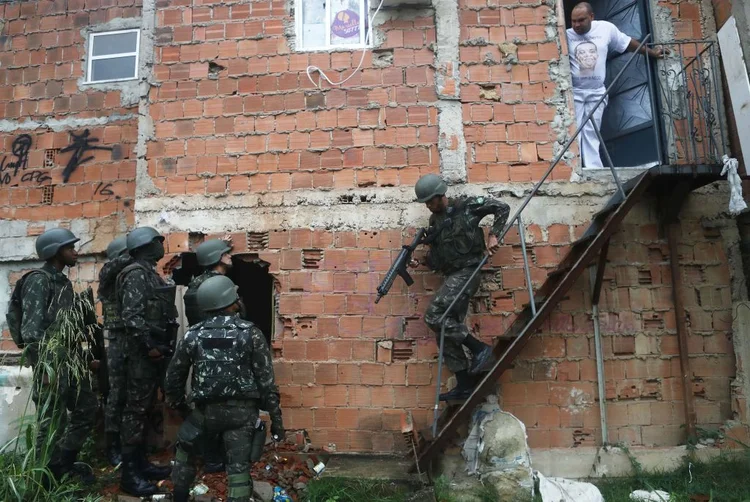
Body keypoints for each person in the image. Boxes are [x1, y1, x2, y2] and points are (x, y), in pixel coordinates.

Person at [165, 275, 284, 502]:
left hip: (204, 414)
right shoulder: (250, 333)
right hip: (241, 416)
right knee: (238, 470)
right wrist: (277, 422)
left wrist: (180, 407)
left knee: (184, 455)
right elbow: (267, 384)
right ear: (230, 301)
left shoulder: (194, 334)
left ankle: (179, 496)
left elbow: (173, 377)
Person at [410, 174, 510, 401]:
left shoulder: (466, 206)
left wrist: (494, 235)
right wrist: (421, 262)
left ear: (440, 195)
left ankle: (479, 349)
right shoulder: (435, 223)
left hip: (468, 272)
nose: (428, 205)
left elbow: (501, 207)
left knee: (434, 316)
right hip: (452, 275)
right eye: (425, 202)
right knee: (444, 329)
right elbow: (438, 259)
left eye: (430, 201)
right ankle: (465, 385)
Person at [21, 228, 98, 483]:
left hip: (70, 363)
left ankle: (62, 463)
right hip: (51, 367)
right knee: (51, 423)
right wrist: (44, 370)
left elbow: (66, 327)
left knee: (88, 408)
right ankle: (43, 481)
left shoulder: (62, 282)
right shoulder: (38, 280)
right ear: (55, 252)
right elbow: (31, 331)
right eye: (70, 248)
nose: (75, 252)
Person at [567, 1, 667, 168]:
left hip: (596, 92)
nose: (576, 25)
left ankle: (593, 168)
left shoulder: (606, 29)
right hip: (575, 92)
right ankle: (573, 169)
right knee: (574, 132)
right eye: (573, 21)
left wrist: (651, 53)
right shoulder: (566, 35)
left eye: (581, 20)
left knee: (592, 131)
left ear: (592, 17)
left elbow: (627, 43)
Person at [116, 227, 176, 496]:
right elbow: (132, 317)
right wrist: (149, 347)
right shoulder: (135, 275)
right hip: (141, 356)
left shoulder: (149, 273)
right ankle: (129, 475)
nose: (161, 245)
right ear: (143, 246)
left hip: (151, 354)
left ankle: (140, 465)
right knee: (135, 412)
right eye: (156, 241)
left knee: (143, 409)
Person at [182, 238, 235, 473]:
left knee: (208, 405)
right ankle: (214, 458)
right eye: (226, 253)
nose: (230, 256)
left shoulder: (200, 283)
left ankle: (212, 456)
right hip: (218, 352)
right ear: (216, 258)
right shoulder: (212, 285)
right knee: (217, 406)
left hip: (207, 353)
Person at [98, 235, 131, 466]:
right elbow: (109, 268)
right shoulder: (110, 274)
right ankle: (112, 446)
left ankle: (130, 446)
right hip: (118, 341)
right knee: (116, 396)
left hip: (134, 339)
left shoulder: (130, 276)